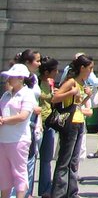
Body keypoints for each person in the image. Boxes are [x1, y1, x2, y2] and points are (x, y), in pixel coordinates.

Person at [48, 53, 93, 198]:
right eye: (90, 68)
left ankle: (72, 192)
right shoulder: (71, 82)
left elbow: (77, 104)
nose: (91, 71)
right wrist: (72, 92)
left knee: (74, 161)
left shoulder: (82, 83)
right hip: (69, 123)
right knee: (64, 160)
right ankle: (58, 193)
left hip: (79, 122)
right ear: (82, 68)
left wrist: (87, 96)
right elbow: (55, 98)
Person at [0, 63, 37, 198]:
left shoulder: (27, 94)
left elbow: (23, 116)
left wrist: (4, 120)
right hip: (3, 139)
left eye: (12, 77)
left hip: (19, 139)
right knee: (4, 174)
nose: (9, 79)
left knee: (19, 173)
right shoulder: (6, 95)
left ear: (21, 78)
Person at [35, 58, 60, 198]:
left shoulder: (50, 83)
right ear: (46, 72)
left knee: (46, 159)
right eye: (54, 70)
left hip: (49, 123)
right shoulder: (36, 83)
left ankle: (45, 190)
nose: (57, 72)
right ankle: (26, 191)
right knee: (32, 158)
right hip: (37, 124)